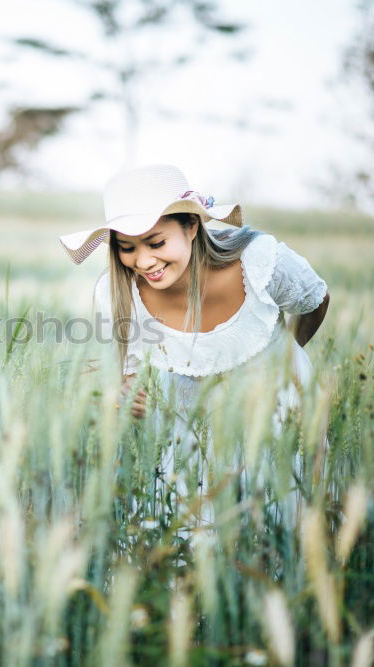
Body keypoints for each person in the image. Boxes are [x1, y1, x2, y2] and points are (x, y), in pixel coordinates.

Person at [59, 164, 330, 525]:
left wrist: (279, 359)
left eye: (156, 243)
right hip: (188, 439)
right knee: (193, 547)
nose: (143, 261)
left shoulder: (259, 260)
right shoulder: (117, 294)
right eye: (127, 248)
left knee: (279, 532)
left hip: (276, 421)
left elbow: (314, 302)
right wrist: (122, 394)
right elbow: (126, 375)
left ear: (191, 226)